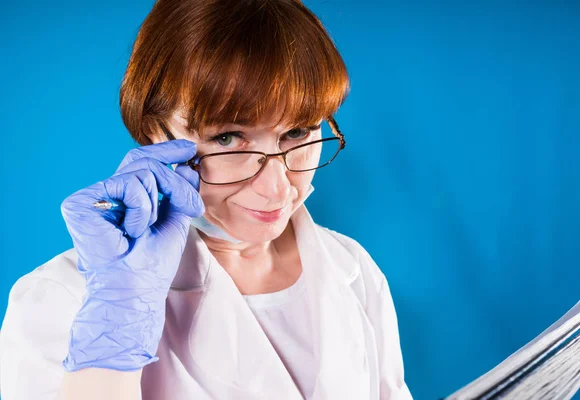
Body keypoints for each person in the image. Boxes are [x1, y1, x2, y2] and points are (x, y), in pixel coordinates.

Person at [0, 0, 413, 399]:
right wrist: (115, 334)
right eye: (227, 137)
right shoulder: (66, 298)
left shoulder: (352, 267)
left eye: (298, 132)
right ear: (154, 133)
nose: (277, 187)